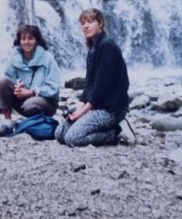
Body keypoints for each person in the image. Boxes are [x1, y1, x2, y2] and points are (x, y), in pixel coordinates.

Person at [55, 8, 134, 147]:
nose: (86, 26)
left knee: (72, 139)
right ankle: (107, 128)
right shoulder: (93, 47)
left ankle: (115, 132)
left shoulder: (107, 46)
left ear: (100, 24)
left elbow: (102, 87)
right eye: (83, 23)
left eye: (90, 21)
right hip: (95, 105)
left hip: (110, 109)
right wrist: (78, 106)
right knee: (60, 134)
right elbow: (89, 84)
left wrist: (83, 112)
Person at [0, 24, 61, 137]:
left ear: (37, 40)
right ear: (19, 41)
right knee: (3, 82)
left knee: (30, 104)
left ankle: (35, 123)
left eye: (30, 38)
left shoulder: (48, 58)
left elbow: (53, 88)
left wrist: (32, 92)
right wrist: (18, 87)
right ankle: (8, 122)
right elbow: (9, 78)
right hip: (23, 100)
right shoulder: (14, 56)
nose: (26, 42)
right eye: (23, 38)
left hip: (46, 102)